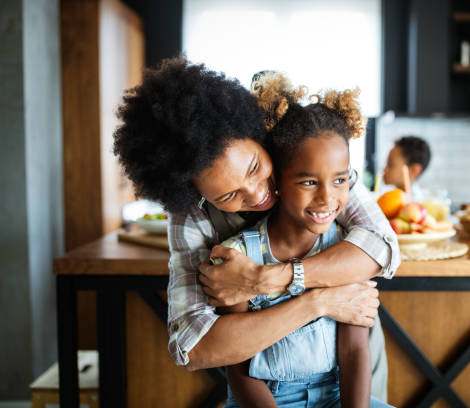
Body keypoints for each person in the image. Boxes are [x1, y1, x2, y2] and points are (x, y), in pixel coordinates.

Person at [112, 56, 400, 402]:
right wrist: (319, 302)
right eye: (228, 195)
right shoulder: (192, 218)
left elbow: (381, 247)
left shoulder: (308, 162)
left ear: (260, 138)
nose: (257, 193)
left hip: (349, 377)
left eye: (254, 168)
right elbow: (195, 346)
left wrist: (268, 279)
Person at [215, 73, 390, 407]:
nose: (327, 198)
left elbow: (354, 350)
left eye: (340, 180)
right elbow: (239, 371)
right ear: (276, 182)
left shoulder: (346, 252)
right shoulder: (239, 258)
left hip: (336, 397)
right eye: (309, 182)